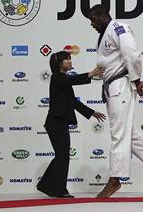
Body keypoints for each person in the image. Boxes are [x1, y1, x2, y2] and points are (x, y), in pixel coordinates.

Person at [87, 4, 143, 198]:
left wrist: (136, 80)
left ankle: (115, 179)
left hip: (121, 86)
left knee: (118, 133)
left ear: (102, 16)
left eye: (93, 19)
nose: (91, 24)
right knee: (125, 131)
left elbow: (131, 54)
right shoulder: (105, 33)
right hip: (112, 86)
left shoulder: (119, 28)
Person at [37, 51, 106, 198]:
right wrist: (91, 73)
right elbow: (70, 81)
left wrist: (92, 113)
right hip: (55, 122)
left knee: (61, 155)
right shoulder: (57, 78)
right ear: (59, 64)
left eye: (69, 58)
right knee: (62, 156)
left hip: (58, 123)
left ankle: (46, 185)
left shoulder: (62, 80)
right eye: (67, 59)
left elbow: (73, 102)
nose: (70, 61)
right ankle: (58, 189)